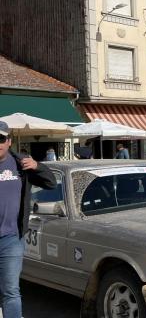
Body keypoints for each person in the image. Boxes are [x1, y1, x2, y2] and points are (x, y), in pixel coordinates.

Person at [0, 121, 56, 318]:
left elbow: (51, 183)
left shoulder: (20, 164)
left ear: (9, 141)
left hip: (11, 239)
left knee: (11, 292)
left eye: (1, 139)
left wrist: (37, 166)